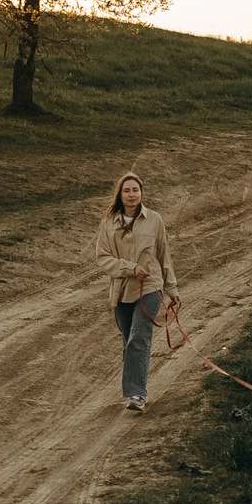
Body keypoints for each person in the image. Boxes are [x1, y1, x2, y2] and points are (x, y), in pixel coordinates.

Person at [95, 172, 179, 411]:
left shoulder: (154, 220)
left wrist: (172, 289)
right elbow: (103, 258)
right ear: (120, 195)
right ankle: (136, 386)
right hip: (121, 290)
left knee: (138, 339)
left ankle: (137, 395)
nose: (132, 195)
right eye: (127, 191)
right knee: (128, 341)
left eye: (135, 190)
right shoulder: (109, 223)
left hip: (150, 288)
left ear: (141, 193)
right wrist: (130, 268)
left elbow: (164, 255)